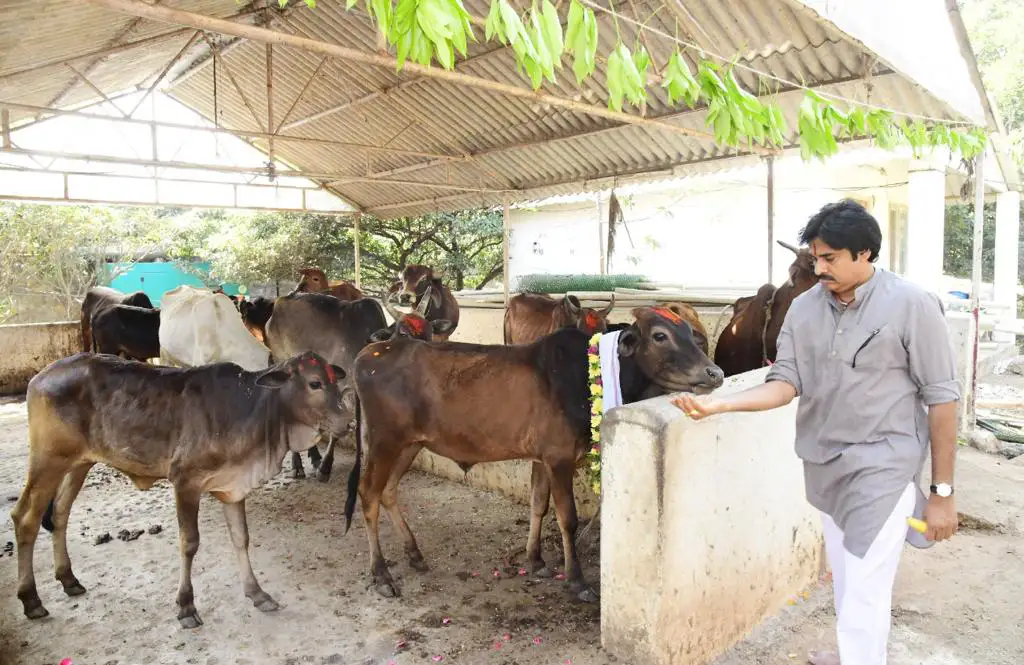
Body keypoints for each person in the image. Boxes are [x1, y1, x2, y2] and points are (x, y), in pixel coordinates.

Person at [673, 199, 960, 665]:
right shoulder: (804, 310)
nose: (819, 267)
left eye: (830, 258)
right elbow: (784, 384)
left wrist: (942, 491)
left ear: (865, 253)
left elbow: (942, 399)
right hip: (823, 464)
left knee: (866, 582)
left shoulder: (911, 305)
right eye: (815, 257)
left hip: (884, 465)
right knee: (850, 572)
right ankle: (856, 654)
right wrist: (721, 405)